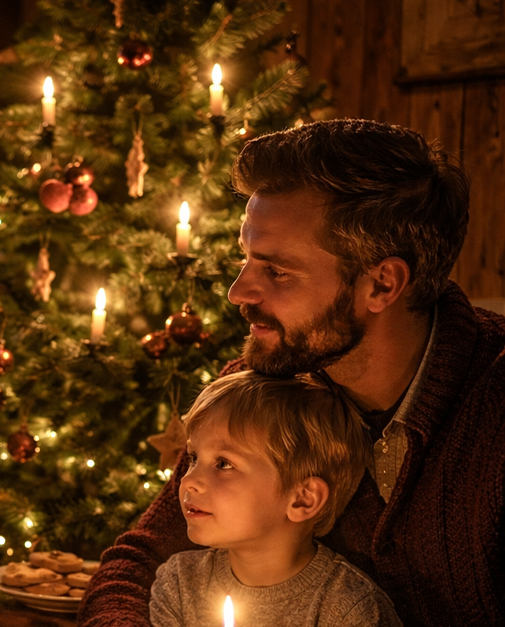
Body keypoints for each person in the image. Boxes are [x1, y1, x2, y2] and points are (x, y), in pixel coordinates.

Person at [79, 119, 505, 626]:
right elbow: (139, 565)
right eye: (246, 260)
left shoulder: (493, 407)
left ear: (382, 284)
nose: (238, 292)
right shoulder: (264, 385)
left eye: (276, 270)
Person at [148, 371, 400, 626]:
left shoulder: (349, 610)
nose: (188, 480)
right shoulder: (179, 586)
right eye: (193, 458)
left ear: (303, 499)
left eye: (223, 464)